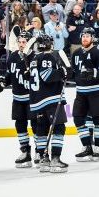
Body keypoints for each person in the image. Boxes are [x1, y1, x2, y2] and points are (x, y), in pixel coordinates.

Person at [28, 34, 68, 173]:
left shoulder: (34, 59)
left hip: (37, 100)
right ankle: (55, 159)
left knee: (42, 130)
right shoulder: (47, 57)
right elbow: (47, 75)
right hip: (50, 99)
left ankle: (44, 160)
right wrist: (62, 72)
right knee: (59, 127)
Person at [0, 31, 35, 168]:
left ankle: (40, 152)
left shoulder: (35, 58)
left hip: (32, 99)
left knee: (37, 125)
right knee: (20, 125)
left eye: (24, 42)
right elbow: (10, 75)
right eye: (20, 42)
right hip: (18, 98)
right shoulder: (13, 56)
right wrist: (3, 82)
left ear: (30, 43)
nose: (21, 44)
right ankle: (25, 152)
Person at [72, 28, 99, 162]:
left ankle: (97, 148)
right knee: (78, 119)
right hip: (80, 93)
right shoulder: (76, 53)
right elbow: (74, 73)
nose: (85, 38)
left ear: (92, 38)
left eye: (88, 36)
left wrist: (93, 72)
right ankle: (87, 146)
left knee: (98, 121)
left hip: (96, 92)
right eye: (83, 36)